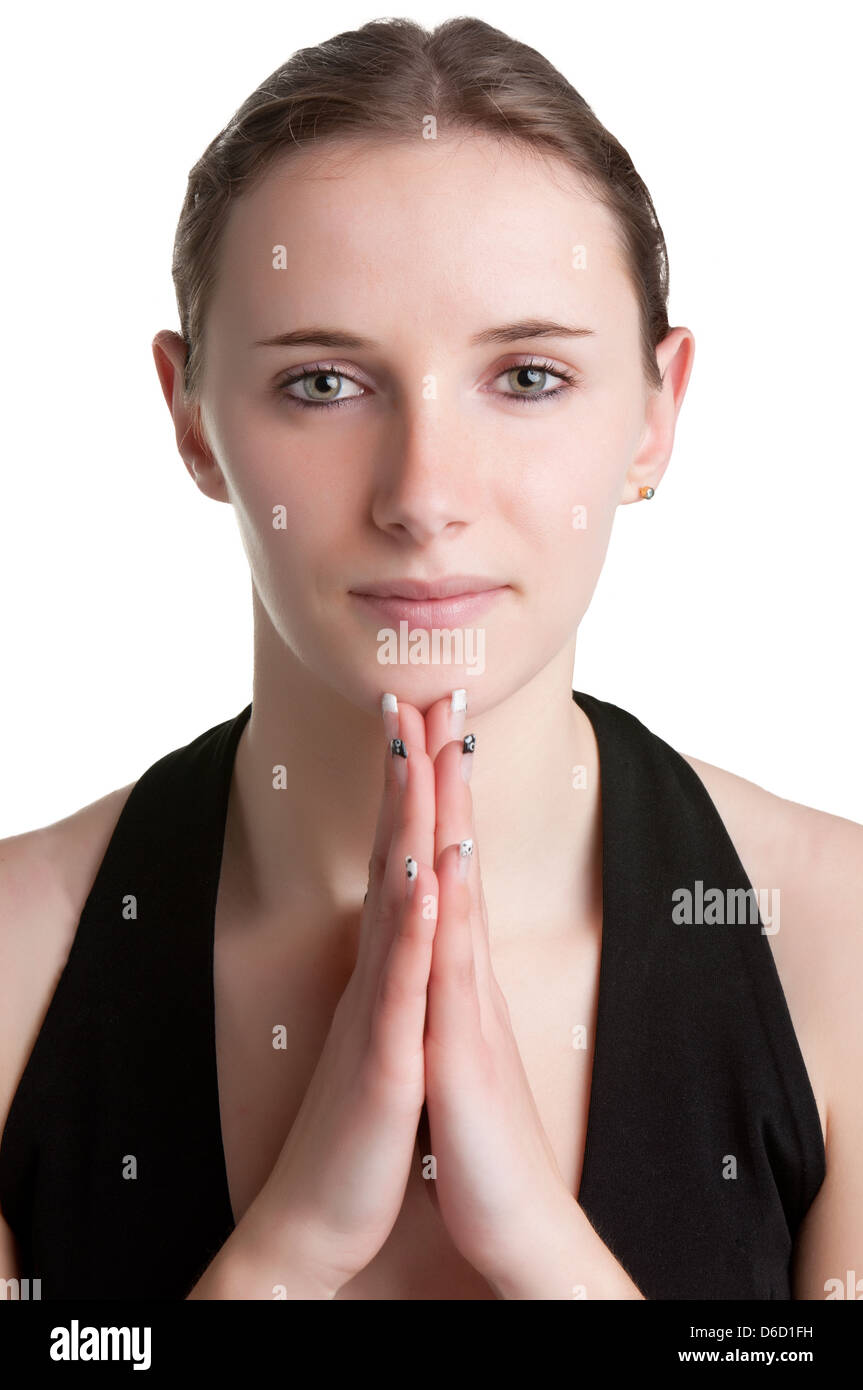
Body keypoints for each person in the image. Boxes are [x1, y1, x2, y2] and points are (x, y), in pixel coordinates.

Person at [1, 15, 860, 1302]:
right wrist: (289, 1246)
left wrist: (536, 1241)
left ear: (654, 411)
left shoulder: (840, 948)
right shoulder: (18, 961)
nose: (422, 494)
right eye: (323, 384)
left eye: (524, 376)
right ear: (188, 416)